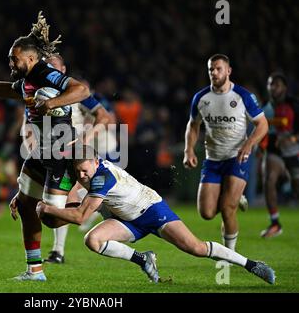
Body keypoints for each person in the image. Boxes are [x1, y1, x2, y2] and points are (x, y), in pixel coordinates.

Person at [0, 11, 90, 281]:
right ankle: (35, 270)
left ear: (30, 58)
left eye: (14, 59)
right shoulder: (28, 78)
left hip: (61, 152)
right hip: (41, 152)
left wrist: (51, 103)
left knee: (49, 217)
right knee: (26, 205)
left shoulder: (46, 73)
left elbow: (82, 90)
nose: (10, 63)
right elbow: (7, 89)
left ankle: (87, 203)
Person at [36, 144, 275, 285]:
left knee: (196, 248)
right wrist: (51, 204)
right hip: (125, 219)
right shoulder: (85, 172)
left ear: (96, 162)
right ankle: (144, 259)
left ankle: (252, 265)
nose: (82, 176)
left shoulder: (101, 177)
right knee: (92, 240)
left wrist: (46, 209)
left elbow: (79, 216)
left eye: (84, 171)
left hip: (150, 210)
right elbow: (73, 196)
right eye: (78, 172)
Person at [183, 54, 268, 251]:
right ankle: (237, 197)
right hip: (213, 160)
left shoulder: (243, 96)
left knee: (227, 209)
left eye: (218, 68)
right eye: (211, 69)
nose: (214, 72)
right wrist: (188, 150)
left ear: (228, 71)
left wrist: (249, 144)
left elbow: (262, 124)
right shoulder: (201, 97)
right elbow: (193, 125)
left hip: (237, 158)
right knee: (206, 212)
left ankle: (229, 254)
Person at [42, 53, 117, 264]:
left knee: (65, 199)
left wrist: (85, 138)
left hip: (74, 154)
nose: (50, 70)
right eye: (46, 67)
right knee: (68, 200)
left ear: (63, 70)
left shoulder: (75, 92)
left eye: (54, 66)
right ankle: (107, 215)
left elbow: (105, 117)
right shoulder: (39, 92)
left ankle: (58, 251)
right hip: (51, 152)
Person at [259, 73, 299, 238]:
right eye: (270, 84)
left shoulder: (294, 104)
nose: (273, 87)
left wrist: (294, 137)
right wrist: (261, 145)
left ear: (284, 88)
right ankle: (275, 223)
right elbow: (261, 128)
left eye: (277, 84)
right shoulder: (266, 107)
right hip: (274, 150)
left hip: (294, 150)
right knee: (269, 180)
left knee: (297, 186)